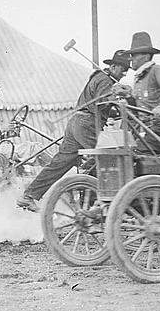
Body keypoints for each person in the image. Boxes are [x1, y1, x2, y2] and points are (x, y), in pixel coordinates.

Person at [16, 50, 130, 212]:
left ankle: (29, 195)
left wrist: (115, 102)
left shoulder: (99, 78)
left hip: (75, 122)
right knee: (108, 159)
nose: (124, 73)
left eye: (127, 69)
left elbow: (100, 104)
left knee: (60, 162)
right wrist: (117, 96)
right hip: (87, 124)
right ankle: (94, 202)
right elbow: (102, 104)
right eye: (123, 68)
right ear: (112, 66)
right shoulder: (106, 81)